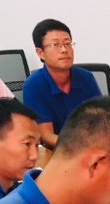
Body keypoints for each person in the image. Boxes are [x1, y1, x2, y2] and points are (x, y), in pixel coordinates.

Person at [23, 19, 102, 149]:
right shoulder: (33, 86)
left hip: (92, 147)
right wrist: (81, 147)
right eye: (55, 45)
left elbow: (101, 120)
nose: (64, 50)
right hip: (58, 152)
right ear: (40, 53)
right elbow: (47, 136)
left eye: (67, 43)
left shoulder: (86, 78)